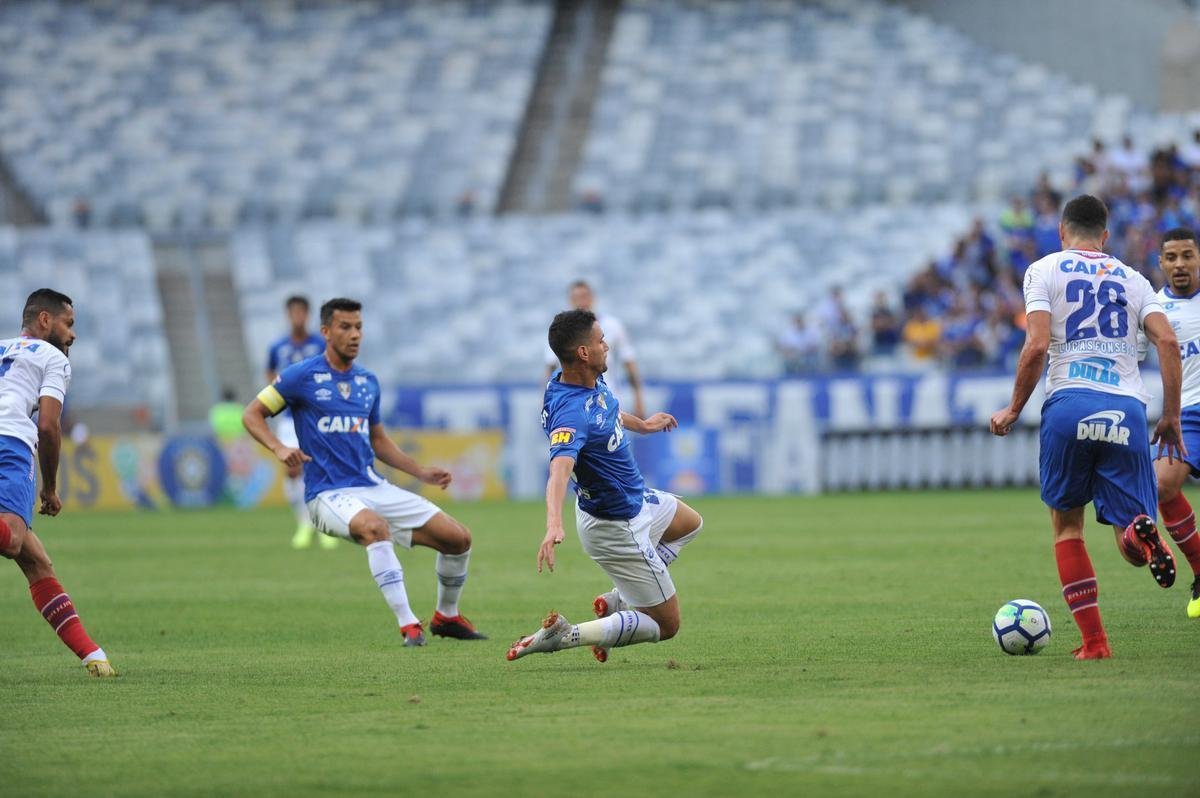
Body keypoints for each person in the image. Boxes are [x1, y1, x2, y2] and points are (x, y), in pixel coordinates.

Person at [990, 195, 1185, 660]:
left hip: (1069, 404)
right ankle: (1141, 527)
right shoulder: (1134, 279)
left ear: (1062, 231)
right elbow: (1169, 343)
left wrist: (1014, 408)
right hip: (1125, 409)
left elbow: (1037, 345)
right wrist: (1172, 416)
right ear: (1105, 236)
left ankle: (1096, 644)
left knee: (1067, 528)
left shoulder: (1044, 270)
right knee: (1130, 535)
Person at [243, 298, 486, 646]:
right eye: (345, 327)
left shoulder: (367, 381)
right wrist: (279, 448)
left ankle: (446, 616)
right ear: (326, 332)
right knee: (375, 528)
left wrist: (420, 472)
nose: (354, 334)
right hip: (326, 493)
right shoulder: (301, 376)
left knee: (458, 539)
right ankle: (409, 626)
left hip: (371, 485)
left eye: (358, 327)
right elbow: (251, 414)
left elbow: (378, 440)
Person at [508, 309, 704, 663]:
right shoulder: (569, 412)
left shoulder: (583, 380)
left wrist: (643, 425)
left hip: (635, 501)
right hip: (615, 524)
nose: (606, 345)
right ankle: (565, 635)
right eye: (600, 341)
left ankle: (620, 599)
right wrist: (553, 523)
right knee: (667, 625)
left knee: (689, 523)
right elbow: (559, 471)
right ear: (584, 353)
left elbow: (607, 411)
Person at [0, 289, 116, 676]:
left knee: (36, 562)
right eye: (69, 324)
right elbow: (48, 426)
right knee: (13, 537)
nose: (73, 335)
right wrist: (49, 487)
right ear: (45, 321)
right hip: (10, 444)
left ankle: (93, 656)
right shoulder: (52, 358)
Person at [1149, 228, 1200, 618]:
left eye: (1187, 255)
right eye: (1172, 258)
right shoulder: (1152, 310)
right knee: (1161, 485)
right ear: (1162, 263)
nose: (1180, 264)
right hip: (1183, 414)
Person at [266, 296, 331, 550]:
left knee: (319, 468)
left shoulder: (319, 344)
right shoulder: (278, 347)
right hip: (289, 419)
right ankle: (304, 524)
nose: (298, 317)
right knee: (292, 470)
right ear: (288, 315)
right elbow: (270, 372)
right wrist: (277, 395)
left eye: (301, 312)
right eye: (293, 313)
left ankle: (324, 525)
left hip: (316, 418)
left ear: (307, 314)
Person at [544, 281, 645, 418]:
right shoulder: (562, 331)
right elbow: (550, 367)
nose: (582, 301)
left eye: (585, 296)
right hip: (574, 403)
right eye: (576, 297)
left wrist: (638, 398)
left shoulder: (613, 325)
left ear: (593, 298)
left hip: (609, 400)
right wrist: (546, 400)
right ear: (570, 301)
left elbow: (629, 363)